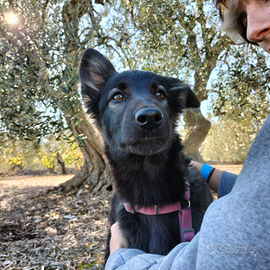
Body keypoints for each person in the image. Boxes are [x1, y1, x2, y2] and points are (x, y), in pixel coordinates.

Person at [105, 0, 270, 269]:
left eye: (160, 95)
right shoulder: (120, 206)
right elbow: (261, 194)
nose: (252, 30)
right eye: (242, 17)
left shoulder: (198, 197)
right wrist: (204, 171)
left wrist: (120, 260)